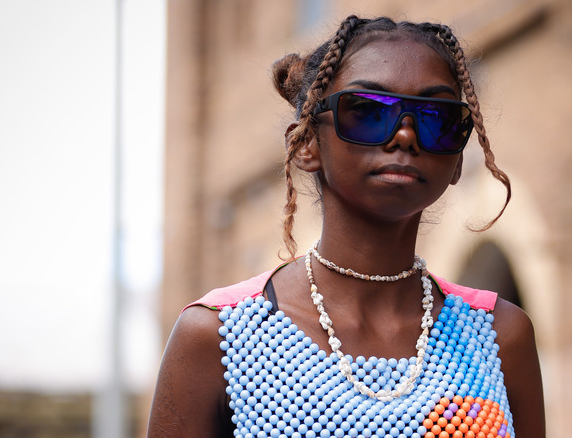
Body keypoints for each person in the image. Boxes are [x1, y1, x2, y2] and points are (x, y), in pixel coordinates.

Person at [148, 15, 545, 438]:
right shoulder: (218, 337)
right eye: (369, 112)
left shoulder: (500, 335)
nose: (406, 136)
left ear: (457, 161)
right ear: (305, 144)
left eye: (435, 117)